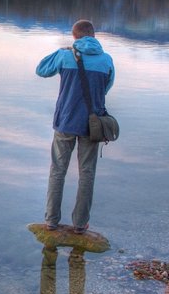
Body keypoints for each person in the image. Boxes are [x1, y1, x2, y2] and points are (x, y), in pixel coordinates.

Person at [36, 19, 115, 233]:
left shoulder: (65, 55)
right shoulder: (106, 60)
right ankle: (80, 224)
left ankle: (51, 220)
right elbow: (106, 88)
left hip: (66, 121)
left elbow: (41, 69)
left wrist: (62, 50)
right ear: (94, 35)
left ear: (74, 37)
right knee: (87, 173)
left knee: (57, 170)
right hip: (92, 124)